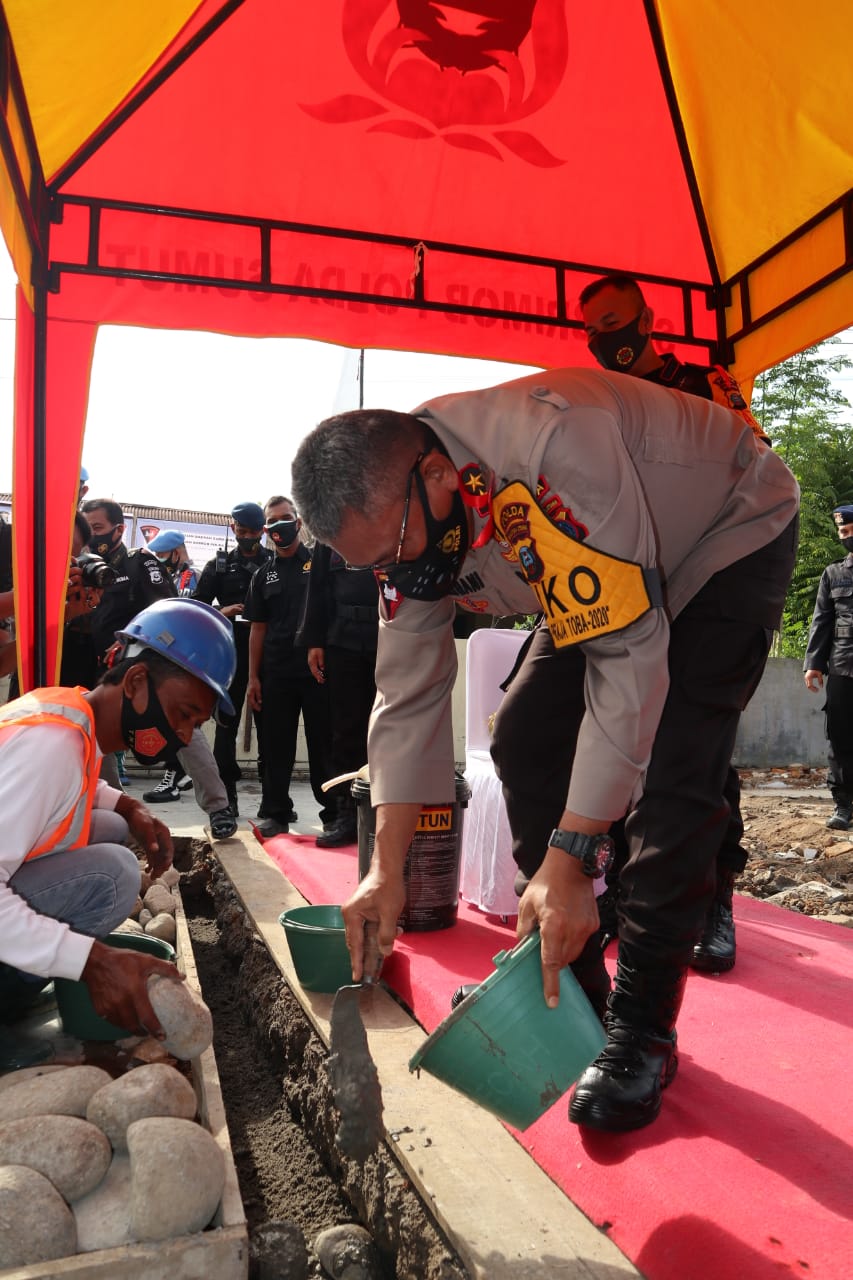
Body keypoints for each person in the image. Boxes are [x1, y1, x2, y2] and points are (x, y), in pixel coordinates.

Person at [291, 366, 798, 1133]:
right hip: (608, 557)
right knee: (525, 736)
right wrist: (384, 871)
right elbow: (406, 695)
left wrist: (570, 856)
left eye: (395, 549)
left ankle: (640, 1030)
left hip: (724, 530)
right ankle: (577, 990)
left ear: (437, 476)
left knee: (674, 772)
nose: (393, 573)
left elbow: (626, 664)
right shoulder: (406, 524)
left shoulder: (554, 446)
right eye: (372, 566)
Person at [579, 273, 768, 971]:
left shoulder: (704, 385)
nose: (605, 340)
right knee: (623, 745)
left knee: (701, 754)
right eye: (592, 330)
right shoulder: (598, 405)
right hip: (630, 596)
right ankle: (625, 894)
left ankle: (714, 901)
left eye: (614, 323)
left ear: (646, 318)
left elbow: (759, 468)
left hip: (707, 591)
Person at [0, 597, 236, 1052]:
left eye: (195, 723)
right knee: (114, 876)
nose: (184, 735)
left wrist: (129, 807)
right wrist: (91, 961)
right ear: (136, 682)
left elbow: (72, 784)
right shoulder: (51, 748)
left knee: (109, 826)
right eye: (183, 714)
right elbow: (52, 773)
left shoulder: (68, 715)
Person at [245, 496, 334, 840]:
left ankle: (333, 814)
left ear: (298, 523)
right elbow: (258, 628)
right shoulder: (262, 575)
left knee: (323, 746)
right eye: (272, 521)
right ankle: (276, 812)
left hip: (316, 672)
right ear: (266, 529)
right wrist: (253, 677)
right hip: (276, 673)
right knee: (275, 747)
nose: (278, 525)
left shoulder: (319, 564)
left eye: (285, 518)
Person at [298, 544, 379, 847]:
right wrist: (314, 642)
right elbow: (317, 587)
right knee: (345, 731)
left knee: (390, 731)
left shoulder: (392, 519)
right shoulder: (329, 530)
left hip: (391, 637)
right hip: (343, 640)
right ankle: (347, 813)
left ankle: (388, 814)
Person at [194, 502, 272, 816]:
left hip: (267, 653)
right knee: (226, 726)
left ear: (263, 532)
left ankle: (273, 800)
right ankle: (227, 798)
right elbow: (196, 607)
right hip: (230, 655)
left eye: (253, 532)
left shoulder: (274, 563)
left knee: (271, 729)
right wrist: (221, 611)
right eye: (242, 531)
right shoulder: (219, 565)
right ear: (233, 529)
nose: (247, 537)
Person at [804, 504, 853, 830]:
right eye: (841, 532)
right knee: (840, 738)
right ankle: (843, 806)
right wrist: (813, 665)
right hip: (843, 668)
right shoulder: (833, 574)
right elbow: (821, 622)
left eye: (848, 531)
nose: (844, 537)